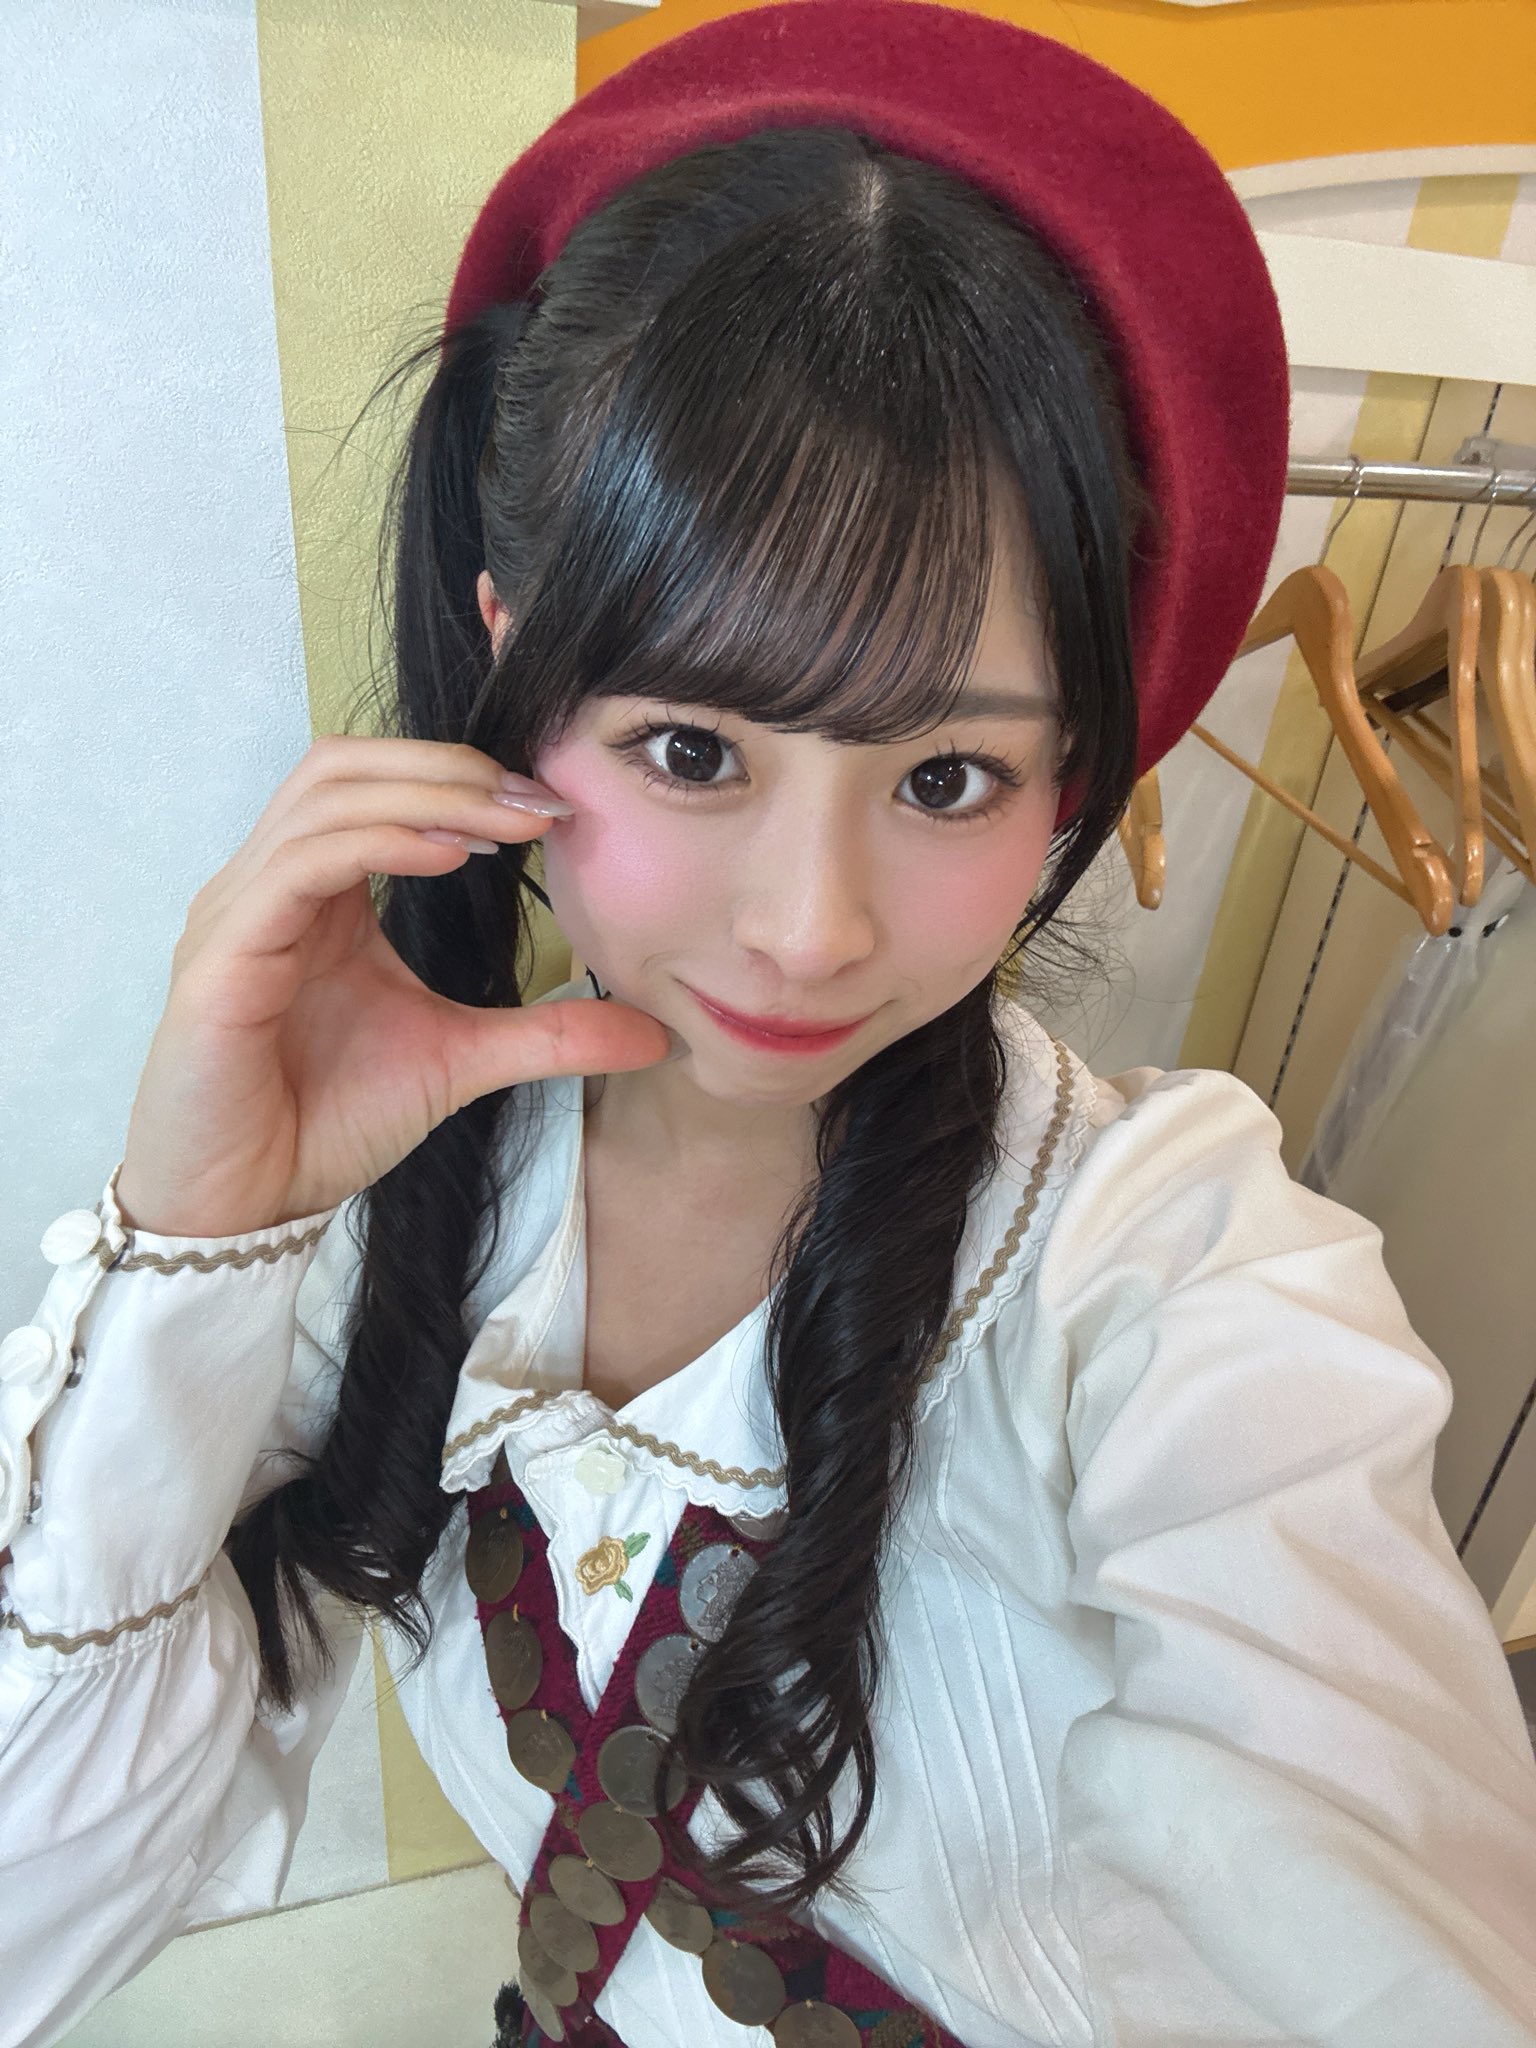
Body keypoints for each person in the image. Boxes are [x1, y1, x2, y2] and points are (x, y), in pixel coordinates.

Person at [3, 5, 1535, 2044]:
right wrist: (200, 1239)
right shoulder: (384, 1218)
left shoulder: (1164, 1278)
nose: (811, 931)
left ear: (1073, 782)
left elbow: (1384, 1904)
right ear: (508, 661)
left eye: (946, 780)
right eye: (692, 748)